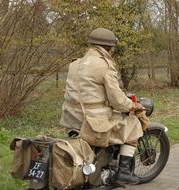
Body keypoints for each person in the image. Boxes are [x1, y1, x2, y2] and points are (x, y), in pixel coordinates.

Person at [60, 28, 144, 184]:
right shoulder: (105, 66)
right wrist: (132, 105)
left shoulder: (75, 64)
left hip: (71, 118)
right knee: (133, 125)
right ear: (109, 48)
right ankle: (123, 172)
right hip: (93, 120)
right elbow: (118, 101)